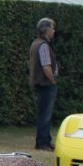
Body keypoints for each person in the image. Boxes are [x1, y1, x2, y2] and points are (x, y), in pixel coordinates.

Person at [29, 17, 58, 151]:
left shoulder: (35, 43)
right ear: (46, 30)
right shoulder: (44, 45)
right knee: (45, 115)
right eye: (52, 28)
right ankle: (43, 143)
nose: (54, 31)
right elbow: (46, 66)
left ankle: (43, 141)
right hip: (46, 84)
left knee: (43, 114)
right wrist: (53, 81)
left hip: (40, 84)